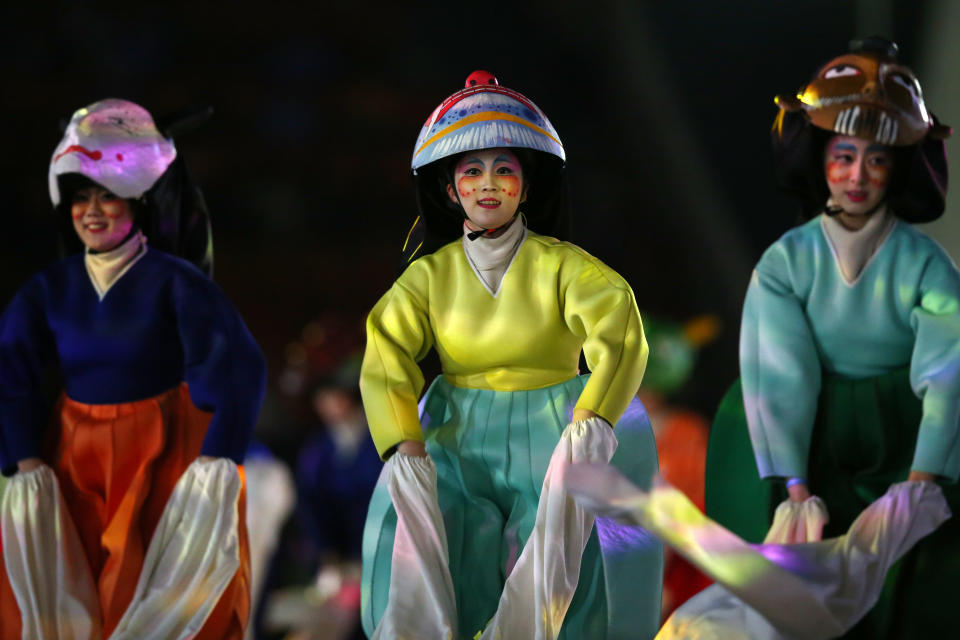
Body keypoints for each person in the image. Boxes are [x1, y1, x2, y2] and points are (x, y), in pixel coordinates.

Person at [359, 71, 662, 639]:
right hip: (455, 429)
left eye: (505, 169)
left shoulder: (564, 265)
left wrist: (592, 418)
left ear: (526, 185)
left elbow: (618, 331)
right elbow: (386, 350)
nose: (488, 185)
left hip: (556, 426)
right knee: (442, 554)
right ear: (451, 190)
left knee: (569, 564)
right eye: (471, 171)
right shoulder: (430, 276)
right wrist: (403, 440)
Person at [705, 37, 959, 638]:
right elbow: (782, 369)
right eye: (843, 156)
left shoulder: (927, 263)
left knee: (918, 578)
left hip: (907, 429)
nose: (857, 176)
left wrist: (922, 481)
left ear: (896, 168)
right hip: (810, 433)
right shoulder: (786, 262)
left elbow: (948, 364)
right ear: (819, 159)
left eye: (876, 159)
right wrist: (794, 486)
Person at [0, 98, 266, 639]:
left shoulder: (175, 281)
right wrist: (24, 457)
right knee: (64, 591)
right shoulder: (50, 289)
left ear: (139, 203)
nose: (93, 211)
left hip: (165, 450)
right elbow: (10, 372)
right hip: (71, 456)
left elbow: (238, 365)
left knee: (147, 588)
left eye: (109, 196)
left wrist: (217, 460)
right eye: (81, 198)